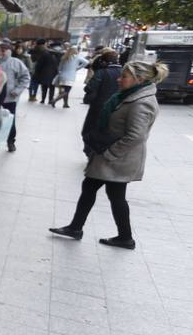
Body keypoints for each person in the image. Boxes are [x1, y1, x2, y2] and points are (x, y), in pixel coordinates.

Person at [49, 60, 167, 249]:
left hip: (117, 158)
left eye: (125, 77)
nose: (120, 79)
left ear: (140, 79)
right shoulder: (130, 95)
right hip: (112, 157)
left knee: (109, 193)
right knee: (98, 190)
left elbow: (136, 136)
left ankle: (119, 236)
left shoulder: (141, 102)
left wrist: (110, 153)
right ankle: (92, 230)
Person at [0, 41, 30, 153]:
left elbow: (25, 77)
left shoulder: (16, 62)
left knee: (9, 120)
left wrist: (17, 90)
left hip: (9, 97)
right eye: (1, 50)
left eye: (4, 50)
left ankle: (10, 141)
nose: (2, 52)